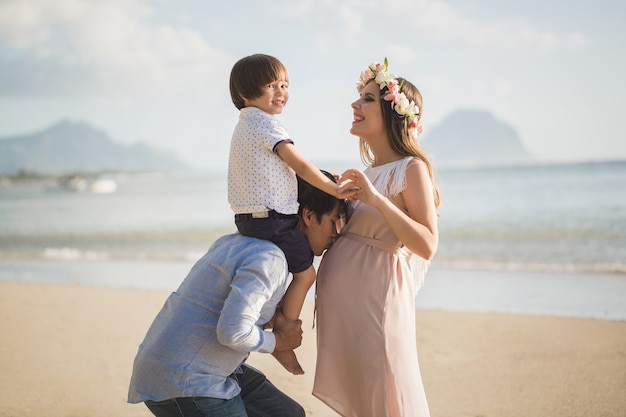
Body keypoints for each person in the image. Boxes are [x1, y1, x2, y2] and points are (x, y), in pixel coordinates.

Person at [128, 171, 346, 417]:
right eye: (335, 220)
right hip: (186, 380)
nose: (337, 232)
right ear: (307, 215)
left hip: (182, 368)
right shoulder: (269, 259)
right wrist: (278, 343)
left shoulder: (237, 242)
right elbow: (232, 332)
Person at [312, 59, 441, 417]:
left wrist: (374, 199)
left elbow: (427, 244)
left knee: (387, 394)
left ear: (392, 113)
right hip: (349, 309)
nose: (355, 105)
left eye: (367, 99)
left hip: (377, 304)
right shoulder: (370, 173)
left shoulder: (411, 169)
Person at [227, 53, 356, 375]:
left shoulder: (245, 126)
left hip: (250, 218)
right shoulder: (266, 124)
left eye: (284, 85)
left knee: (288, 273)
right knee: (305, 274)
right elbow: (299, 163)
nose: (281, 92)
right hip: (273, 219)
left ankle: (275, 317)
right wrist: (333, 189)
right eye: (271, 85)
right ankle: (284, 338)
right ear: (245, 92)